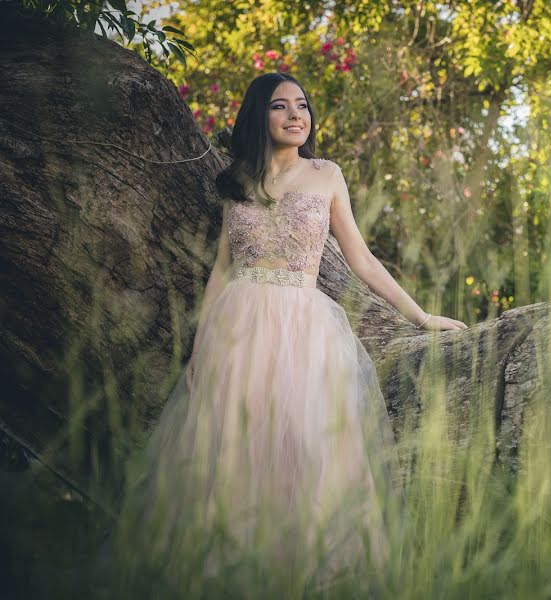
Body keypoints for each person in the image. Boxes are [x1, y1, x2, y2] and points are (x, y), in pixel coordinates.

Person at [112, 72, 468, 596]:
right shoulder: (237, 183)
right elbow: (221, 270)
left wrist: (421, 317)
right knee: (233, 452)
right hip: (239, 328)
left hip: (305, 329)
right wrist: (201, 344)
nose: (296, 115)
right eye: (281, 107)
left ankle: (303, 575)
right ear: (261, 117)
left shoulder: (326, 175)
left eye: (302, 105)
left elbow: (362, 259)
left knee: (305, 449)